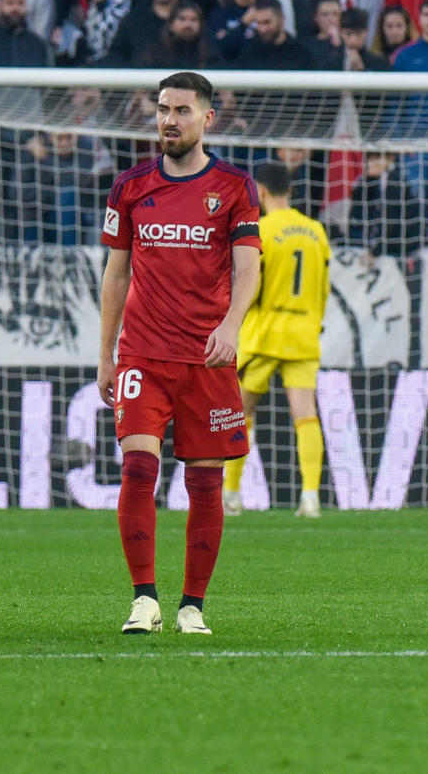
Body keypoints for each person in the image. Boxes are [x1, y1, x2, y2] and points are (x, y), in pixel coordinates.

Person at [98, 70, 261, 637]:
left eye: (182, 110)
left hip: (208, 359)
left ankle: (193, 605)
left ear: (207, 118)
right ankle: (145, 599)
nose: (169, 119)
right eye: (163, 109)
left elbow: (248, 267)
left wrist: (233, 326)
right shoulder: (130, 185)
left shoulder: (237, 187)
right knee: (138, 467)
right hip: (143, 353)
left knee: (205, 484)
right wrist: (106, 356)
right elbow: (115, 274)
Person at [228, 161, 330, 519]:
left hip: (266, 335)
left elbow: (250, 287)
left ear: (261, 192)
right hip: (303, 335)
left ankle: (231, 493)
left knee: (239, 412)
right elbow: (322, 290)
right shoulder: (317, 231)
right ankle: (311, 496)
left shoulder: (262, 230)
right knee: (305, 416)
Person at [234, 0, 318, 68]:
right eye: (258, 23)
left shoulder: (300, 54)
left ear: (281, 19)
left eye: (267, 22)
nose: (262, 29)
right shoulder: (250, 54)